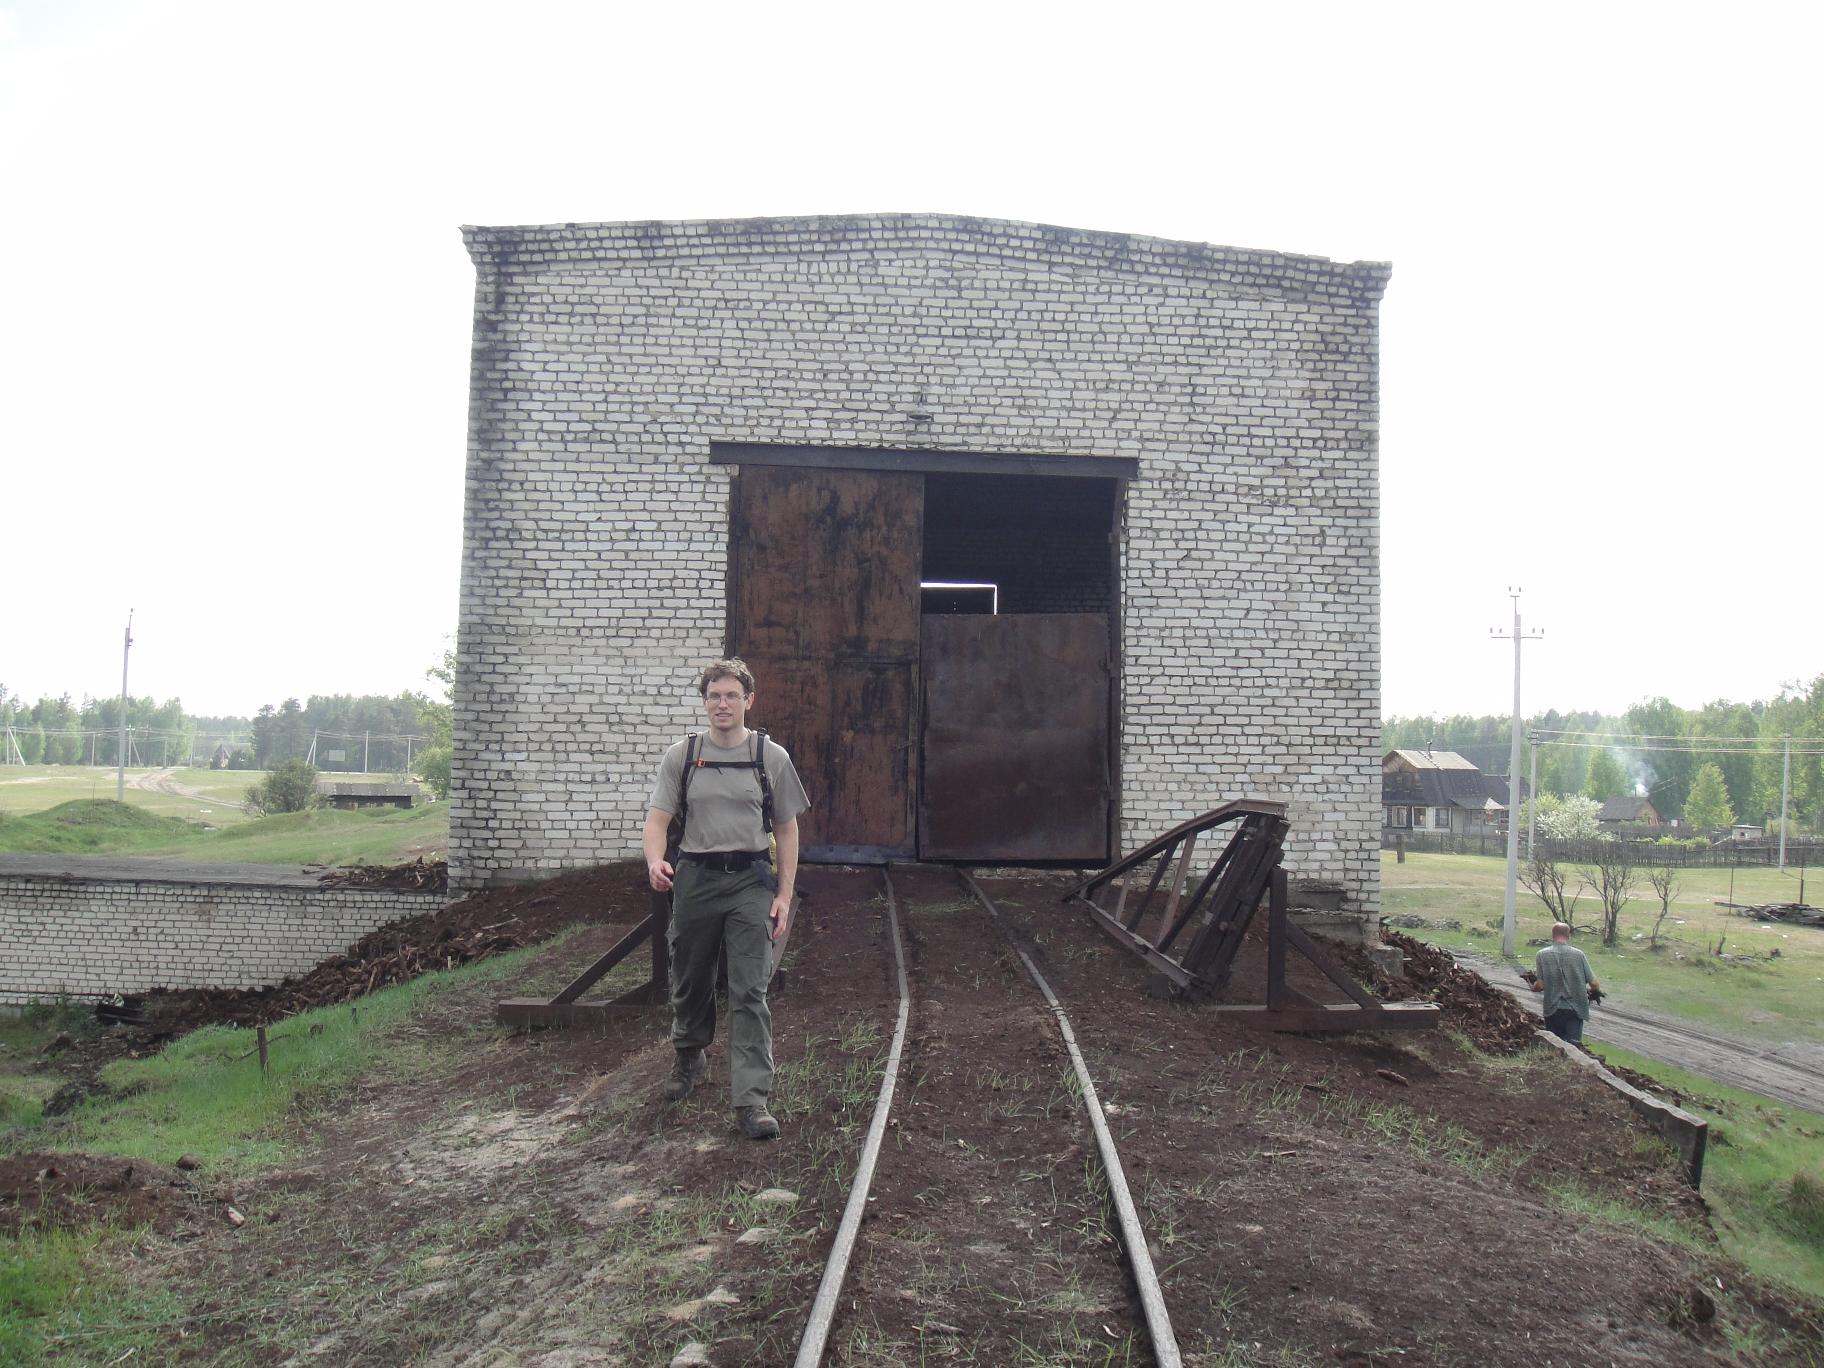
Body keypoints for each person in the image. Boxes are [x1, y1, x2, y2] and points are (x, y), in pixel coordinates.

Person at [642, 659, 810, 1140]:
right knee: (690, 976)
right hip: (695, 878)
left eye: (732, 695)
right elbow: (657, 820)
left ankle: (752, 1100)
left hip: (749, 882)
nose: (722, 703)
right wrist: (655, 861)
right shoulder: (683, 755)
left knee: (749, 988)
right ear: (704, 702)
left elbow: (787, 829)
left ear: (748, 701)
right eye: (714, 695)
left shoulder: (769, 756)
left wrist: (784, 893)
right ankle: (689, 1054)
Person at [1528, 922, 1602, 1044]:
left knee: (1554, 1046)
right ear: (1568, 936)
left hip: (1552, 1009)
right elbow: (1594, 983)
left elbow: (1540, 985)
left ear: (1553, 935)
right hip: (1575, 1009)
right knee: (1572, 1047)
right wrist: (1592, 991)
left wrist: (1532, 986)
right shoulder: (1579, 955)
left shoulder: (1542, 955)